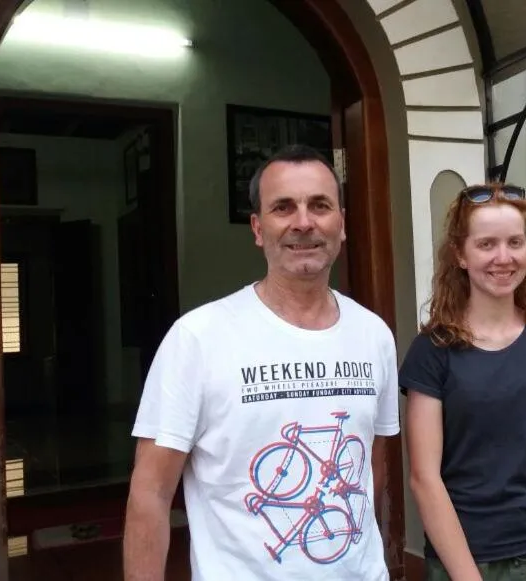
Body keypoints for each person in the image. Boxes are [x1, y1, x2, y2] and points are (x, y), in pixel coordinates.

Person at [124, 144, 400, 581]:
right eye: (283, 207)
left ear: (341, 224)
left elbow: (372, 467)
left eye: (320, 205)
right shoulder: (197, 338)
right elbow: (151, 494)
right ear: (257, 227)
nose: (304, 222)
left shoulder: (374, 335)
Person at [400, 182, 526, 581]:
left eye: (514, 243)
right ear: (461, 255)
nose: (503, 258)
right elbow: (424, 477)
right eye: (486, 244)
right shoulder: (432, 351)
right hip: (464, 560)